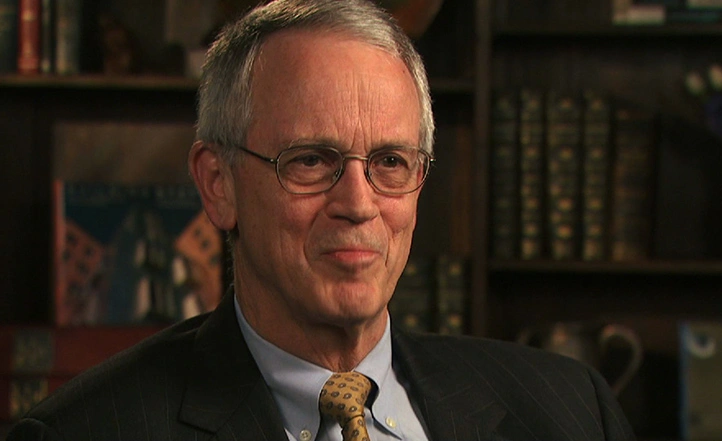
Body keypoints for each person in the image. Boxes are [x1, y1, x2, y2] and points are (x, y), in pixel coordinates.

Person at [6, 1, 636, 440]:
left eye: (390, 162)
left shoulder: (570, 411)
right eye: (310, 161)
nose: (359, 204)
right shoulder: (85, 432)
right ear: (218, 184)